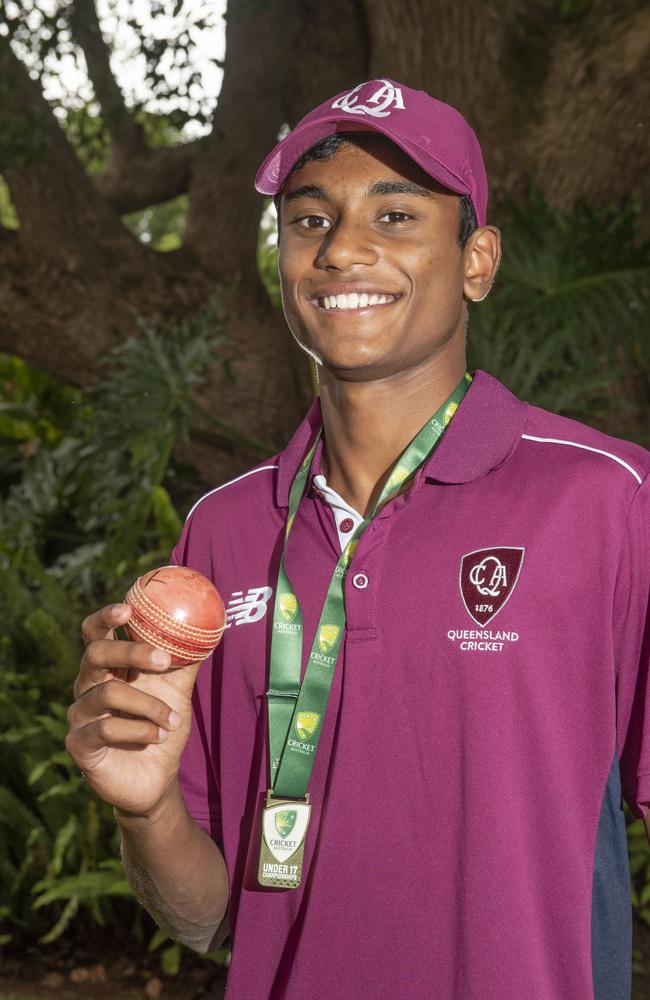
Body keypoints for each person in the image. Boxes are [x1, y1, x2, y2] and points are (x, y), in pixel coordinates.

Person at [65, 79, 650, 1000]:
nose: (342, 248)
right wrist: (144, 811)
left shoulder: (607, 498)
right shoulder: (220, 531)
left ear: (477, 261)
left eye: (396, 213)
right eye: (309, 220)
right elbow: (212, 918)